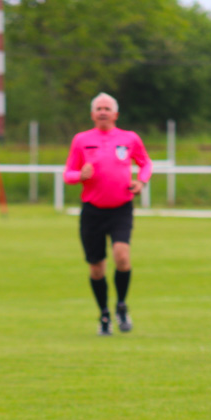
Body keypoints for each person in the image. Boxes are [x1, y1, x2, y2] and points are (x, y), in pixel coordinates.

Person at [64, 92, 152, 335]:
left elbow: (146, 163)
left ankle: (121, 306)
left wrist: (141, 181)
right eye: (99, 108)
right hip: (92, 211)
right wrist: (79, 176)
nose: (103, 112)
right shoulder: (81, 140)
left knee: (122, 256)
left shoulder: (129, 138)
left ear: (116, 114)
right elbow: (68, 173)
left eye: (107, 108)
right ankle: (104, 314)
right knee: (97, 268)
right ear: (92, 114)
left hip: (121, 208)